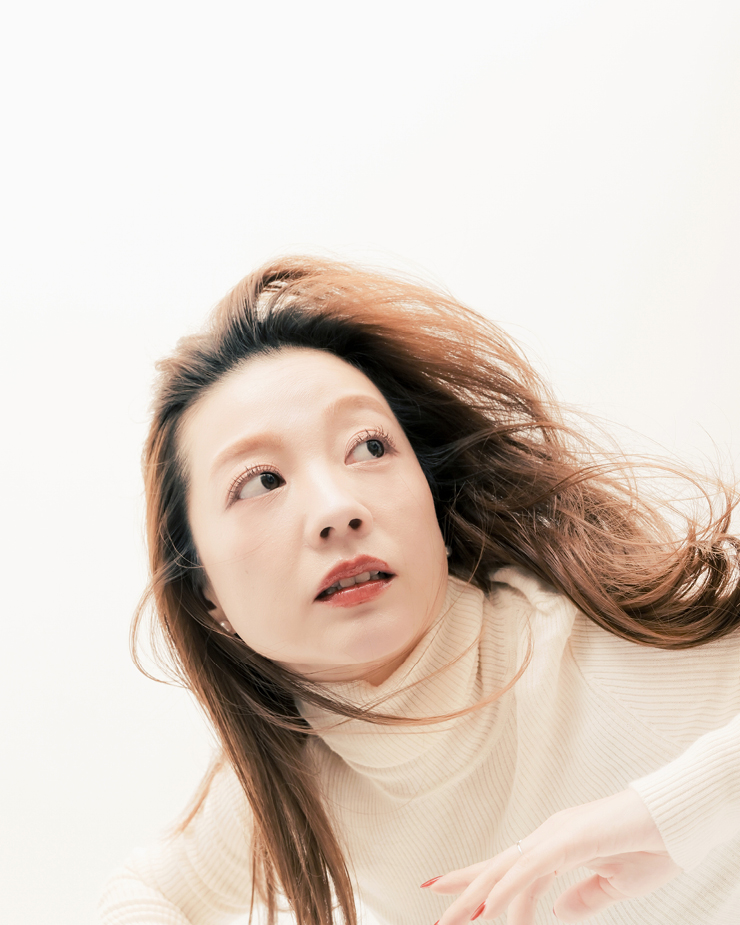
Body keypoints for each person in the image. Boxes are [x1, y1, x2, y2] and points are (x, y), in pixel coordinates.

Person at [99, 256, 740, 925]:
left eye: (369, 447)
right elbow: (146, 891)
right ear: (207, 592)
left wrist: (673, 808)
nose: (337, 508)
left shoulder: (595, 641)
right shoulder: (297, 784)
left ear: (432, 502)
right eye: (262, 481)